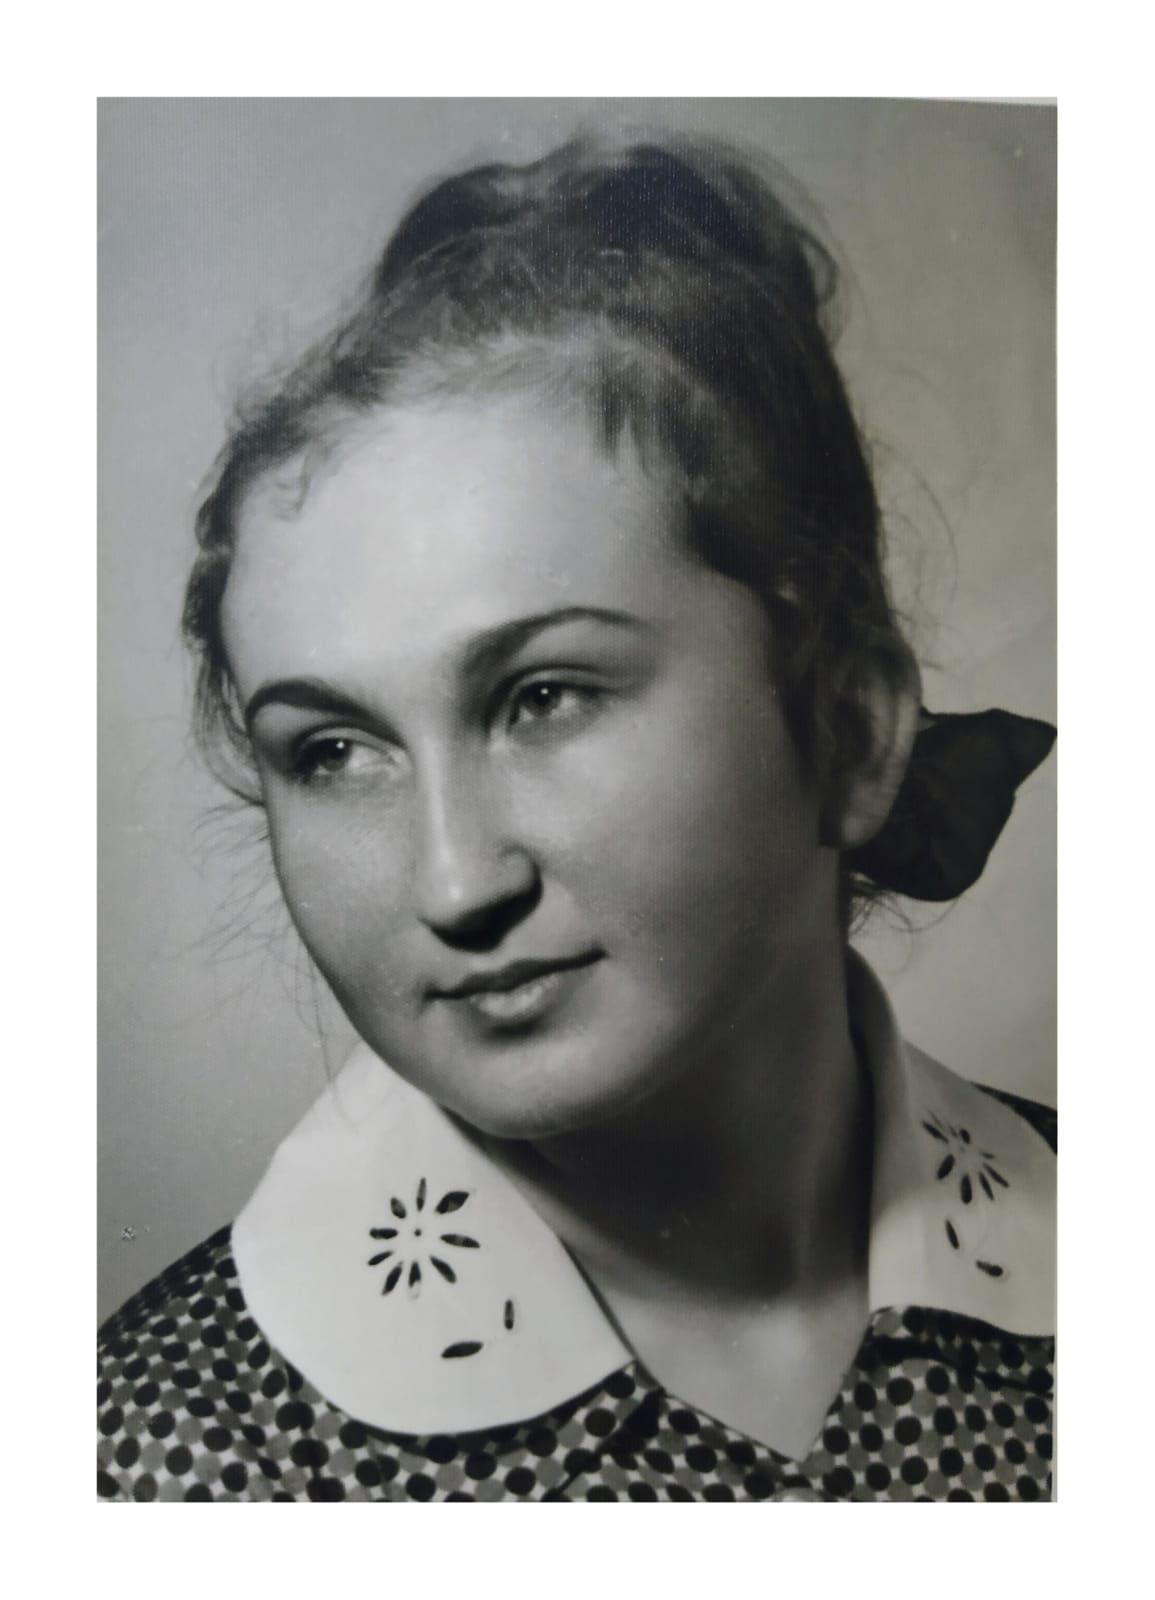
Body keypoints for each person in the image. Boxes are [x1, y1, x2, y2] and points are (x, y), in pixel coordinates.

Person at [97, 131, 1055, 1502]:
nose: (453, 882)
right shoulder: (161, 1461)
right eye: (334, 753)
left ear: (849, 725)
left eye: (543, 697)